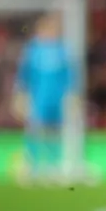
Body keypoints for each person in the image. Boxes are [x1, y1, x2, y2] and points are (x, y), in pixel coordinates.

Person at [13, 13, 73, 183]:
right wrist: (20, 94)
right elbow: (23, 75)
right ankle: (32, 166)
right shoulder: (33, 49)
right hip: (38, 98)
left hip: (57, 99)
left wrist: (71, 95)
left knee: (54, 132)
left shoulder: (62, 49)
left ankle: (53, 166)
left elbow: (69, 76)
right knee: (34, 130)